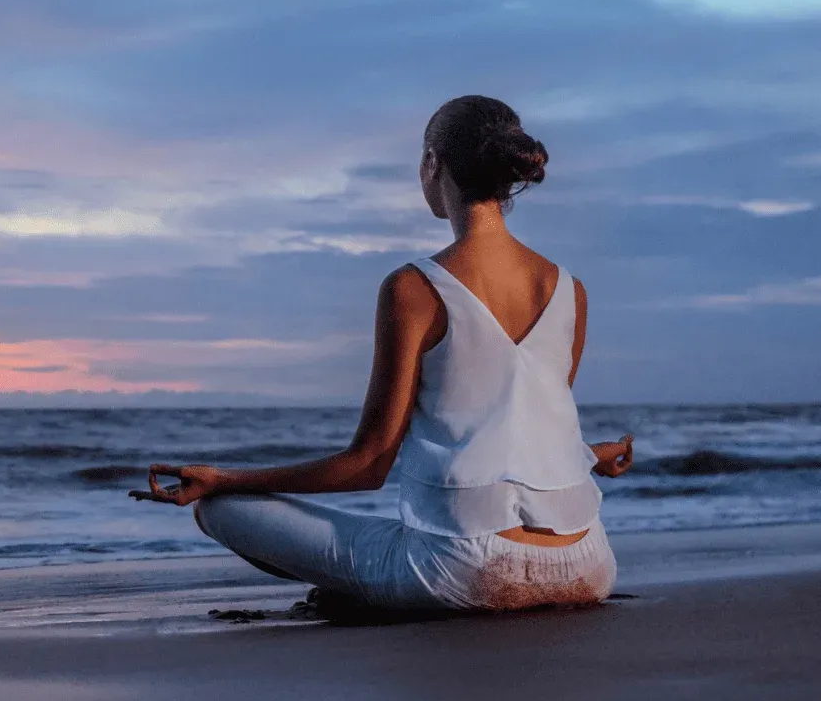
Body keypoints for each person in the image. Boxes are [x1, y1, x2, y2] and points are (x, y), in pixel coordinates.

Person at [132, 95, 635, 613]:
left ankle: (366, 591)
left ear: (433, 163)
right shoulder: (569, 290)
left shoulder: (414, 288)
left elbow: (369, 464)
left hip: (468, 573)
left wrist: (223, 479)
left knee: (221, 511)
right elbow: (517, 428)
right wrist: (589, 454)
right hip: (589, 564)